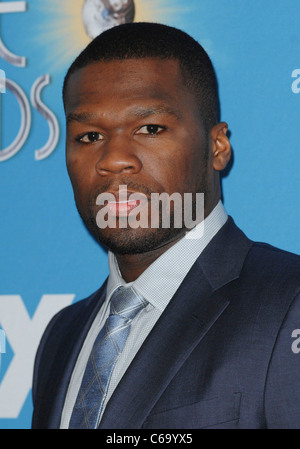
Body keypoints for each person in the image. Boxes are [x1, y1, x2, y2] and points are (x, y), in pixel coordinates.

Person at [31, 22, 300, 429]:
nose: (114, 158)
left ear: (217, 147)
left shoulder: (288, 302)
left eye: (150, 129)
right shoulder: (60, 336)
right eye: (89, 136)